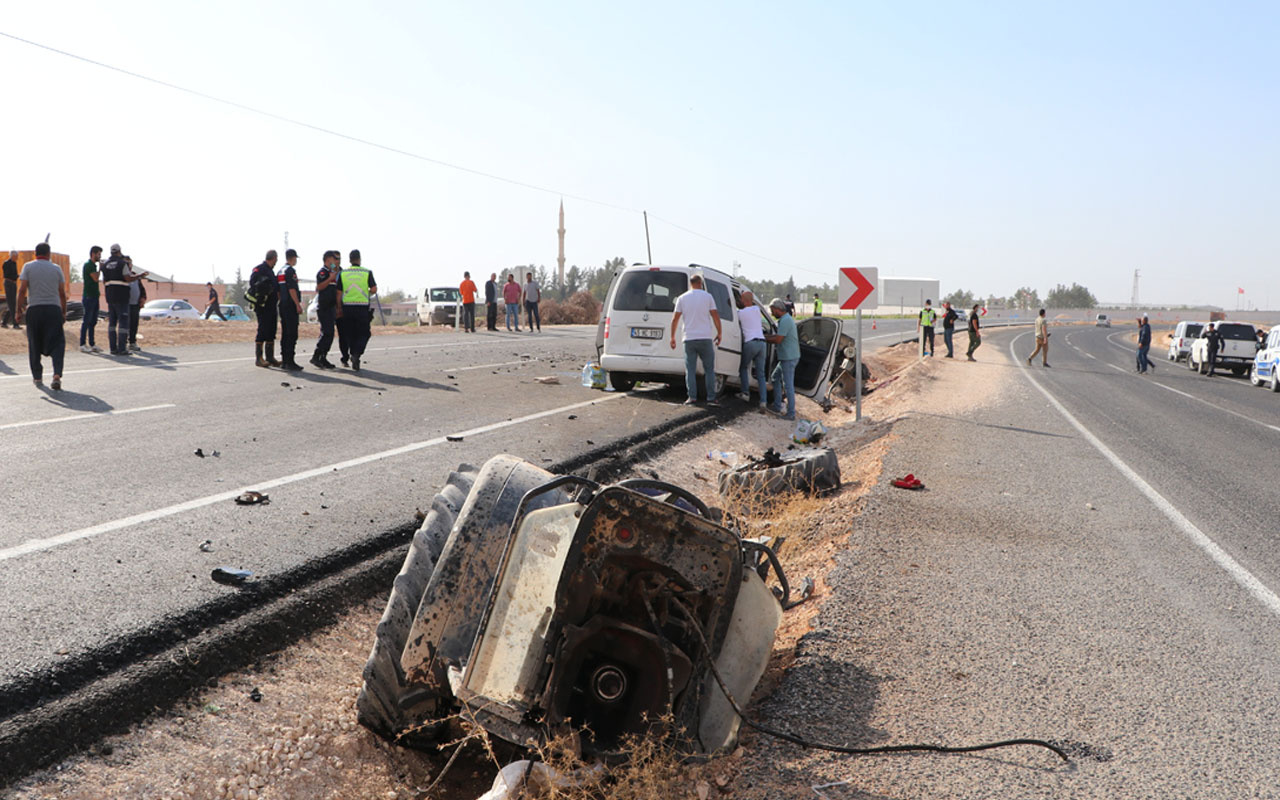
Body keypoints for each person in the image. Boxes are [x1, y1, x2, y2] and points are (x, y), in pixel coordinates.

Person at [15, 242, 67, 390]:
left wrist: (18, 311)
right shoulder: (56, 269)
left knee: (34, 342)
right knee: (57, 342)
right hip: (53, 309)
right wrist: (63, 312)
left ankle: (37, 377)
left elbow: (22, 290)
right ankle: (57, 374)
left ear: (35, 254)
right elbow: (62, 293)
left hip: (35, 310)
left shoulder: (28, 267)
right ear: (49, 254)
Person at [668, 273, 722, 406]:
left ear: (690, 284)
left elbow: (675, 319)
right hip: (705, 338)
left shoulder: (682, 298)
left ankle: (691, 397)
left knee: (690, 370)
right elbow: (715, 316)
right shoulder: (708, 297)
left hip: (689, 338)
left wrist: (672, 337)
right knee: (709, 369)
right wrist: (720, 333)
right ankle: (711, 397)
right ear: (700, 283)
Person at [100, 244, 144, 356]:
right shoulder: (122, 263)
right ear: (119, 252)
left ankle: (113, 348)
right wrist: (140, 275)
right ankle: (122, 348)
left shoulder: (105, 265)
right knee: (123, 323)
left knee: (112, 323)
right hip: (121, 297)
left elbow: (104, 281)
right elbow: (128, 278)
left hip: (110, 297)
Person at [337, 248, 376, 371]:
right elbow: (374, 289)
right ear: (359, 259)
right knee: (364, 333)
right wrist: (366, 293)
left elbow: (338, 293)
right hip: (362, 308)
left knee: (350, 333)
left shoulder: (343, 273)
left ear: (349, 260)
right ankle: (356, 354)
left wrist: (339, 307)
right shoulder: (367, 272)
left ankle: (353, 354)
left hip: (347, 308)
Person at [765, 297, 799, 420]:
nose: (772, 313)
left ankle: (791, 414)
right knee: (775, 378)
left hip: (789, 357)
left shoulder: (785, 321)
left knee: (788, 385)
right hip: (787, 356)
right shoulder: (786, 319)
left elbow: (778, 339)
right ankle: (778, 405)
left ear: (778, 309)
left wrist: (764, 338)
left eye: (772, 310)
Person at [736, 290, 767, 408]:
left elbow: (736, 315)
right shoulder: (757, 310)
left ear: (745, 301)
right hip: (762, 343)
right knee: (761, 374)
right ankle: (763, 401)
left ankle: (745, 393)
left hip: (750, 343)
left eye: (741, 299)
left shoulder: (740, 313)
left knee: (743, 367)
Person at [249, 250, 280, 368]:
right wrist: (264, 288)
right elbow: (254, 284)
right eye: (276, 259)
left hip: (272, 305)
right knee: (263, 329)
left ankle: (270, 357)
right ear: (273, 258)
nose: (276, 262)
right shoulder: (260, 269)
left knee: (271, 330)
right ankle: (259, 358)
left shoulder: (271, 271)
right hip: (263, 305)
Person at [310, 250, 339, 369]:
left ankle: (323, 357)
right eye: (333, 260)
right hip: (324, 307)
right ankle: (316, 356)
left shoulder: (333, 272)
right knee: (326, 332)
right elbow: (319, 287)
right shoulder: (323, 272)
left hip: (331, 306)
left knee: (330, 334)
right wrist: (329, 278)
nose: (335, 262)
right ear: (327, 260)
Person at [276, 249, 304, 370]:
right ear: (292, 258)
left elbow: (278, 291)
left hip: (283, 304)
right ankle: (290, 361)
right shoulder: (290, 271)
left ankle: (284, 360)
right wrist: (297, 304)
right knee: (292, 333)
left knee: (285, 333)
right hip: (290, 306)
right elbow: (292, 289)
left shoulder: (280, 271)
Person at [80, 246, 103, 353]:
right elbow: (95, 278)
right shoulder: (89, 265)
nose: (100, 256)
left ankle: (92, 343)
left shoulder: (93, 265)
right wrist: (100, 268)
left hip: (94, 296)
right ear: (93, 254)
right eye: (98, 254)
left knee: (93, 321)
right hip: (88, 296)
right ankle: (82, 343)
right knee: (86, 320)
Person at [127, 257, 146, 352]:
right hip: (126, 304)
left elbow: (142, 289)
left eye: (130, 263)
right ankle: (123, 343)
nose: (129, 265)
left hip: (135, 304)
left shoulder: (135, 276)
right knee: (125, 324)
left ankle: (132, 342)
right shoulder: (123, 276)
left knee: (134, 324)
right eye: (126, 263)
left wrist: (143, 298)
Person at [2, 250, 19, 329]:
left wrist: (17, 276)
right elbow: (7, 275)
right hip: (8, 283)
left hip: (13, 284)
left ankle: (4, 322)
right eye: (16, 256)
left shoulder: (14, 263)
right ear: (12, 255)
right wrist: (16, 276)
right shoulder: (6, 263)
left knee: (12, 303)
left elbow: (15, 274)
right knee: (11, 303)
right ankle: (15, 324)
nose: (17, 257)